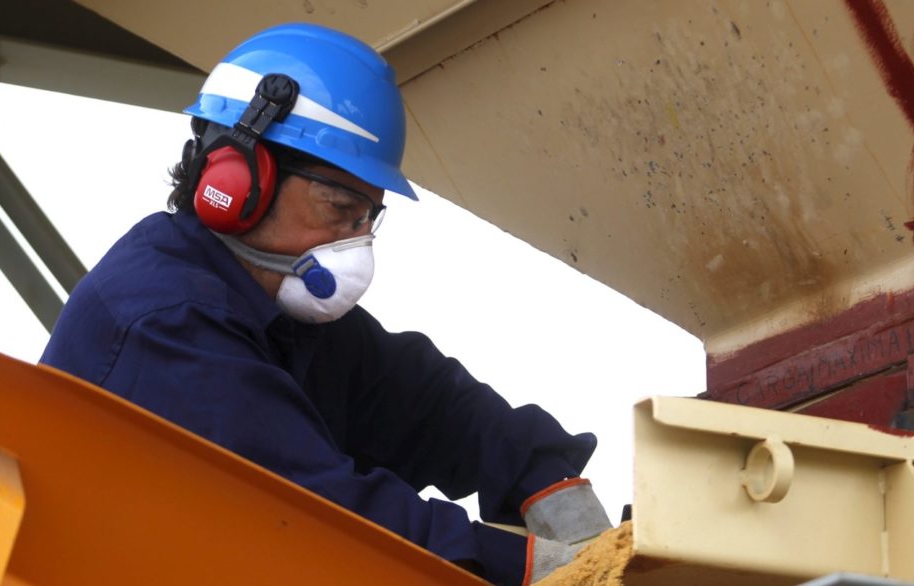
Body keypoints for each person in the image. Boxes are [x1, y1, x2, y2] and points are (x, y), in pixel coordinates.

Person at [40, 22, 608, 585]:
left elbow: (431, 404)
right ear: (239, 179)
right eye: (340, 207)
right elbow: (325, 516)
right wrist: (546, 571)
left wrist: (551, 485)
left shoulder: (278, 313)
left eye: (368, 218)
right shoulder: (167, 323)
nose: (356, 242)